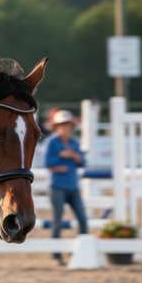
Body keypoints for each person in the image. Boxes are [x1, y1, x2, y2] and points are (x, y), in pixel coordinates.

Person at [45, 109, 88, 264]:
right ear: (57, 127)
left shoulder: (74, 142)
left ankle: (81, 251)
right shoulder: (51, 142)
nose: (65, 128)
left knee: (83, 219)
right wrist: (61, 157)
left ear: (71, 126)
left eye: (68, 125)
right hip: (57, 186)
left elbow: (82, 162)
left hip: (73, 185)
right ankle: (56, 254)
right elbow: (47, 163)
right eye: (62, 125)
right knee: (57, 221)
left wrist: (75, 156)